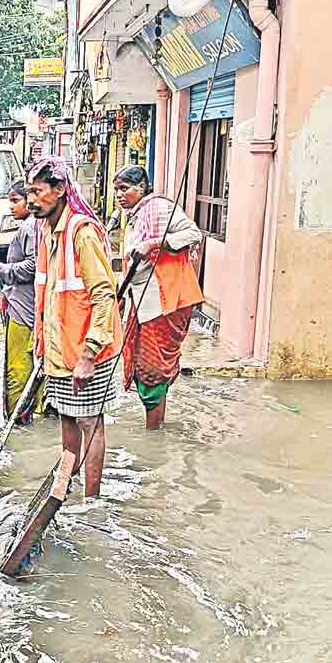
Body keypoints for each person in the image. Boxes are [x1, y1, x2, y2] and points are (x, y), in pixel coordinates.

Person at [28, 156, 123, 500]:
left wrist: (89, 354)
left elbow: (104, 296)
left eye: (38, 192)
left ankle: (91, 500)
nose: (31, 200)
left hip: (87, 353)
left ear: (60, 190)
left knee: (90, 423)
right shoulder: (45, 232)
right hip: (58, 351)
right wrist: (41, 346)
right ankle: (64, 491)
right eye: (29, 192)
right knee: (67, 419)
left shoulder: (81, 234)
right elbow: (49, 295)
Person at [112, 165, 204, 430]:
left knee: (153, 367)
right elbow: (131, 263)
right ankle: (154, 426)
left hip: (166, 300)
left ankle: (154, 432)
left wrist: (154, 244)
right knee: (142, 363)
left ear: (142, 187)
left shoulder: (161, 208)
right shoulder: (134, 216)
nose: (119, 195)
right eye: (116, 189)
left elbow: (192, 233)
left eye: (124, 188)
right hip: (142, 298)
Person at [0, 180, 45, 424]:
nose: (11, 206)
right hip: (29, 306)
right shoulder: (37, 225)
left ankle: (18, 420)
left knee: (18, 369)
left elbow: (32, 266)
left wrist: (0, 269)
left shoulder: (31, 227)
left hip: (23, 309)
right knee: (33, 365)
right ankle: (35, 413)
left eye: (15, 200)